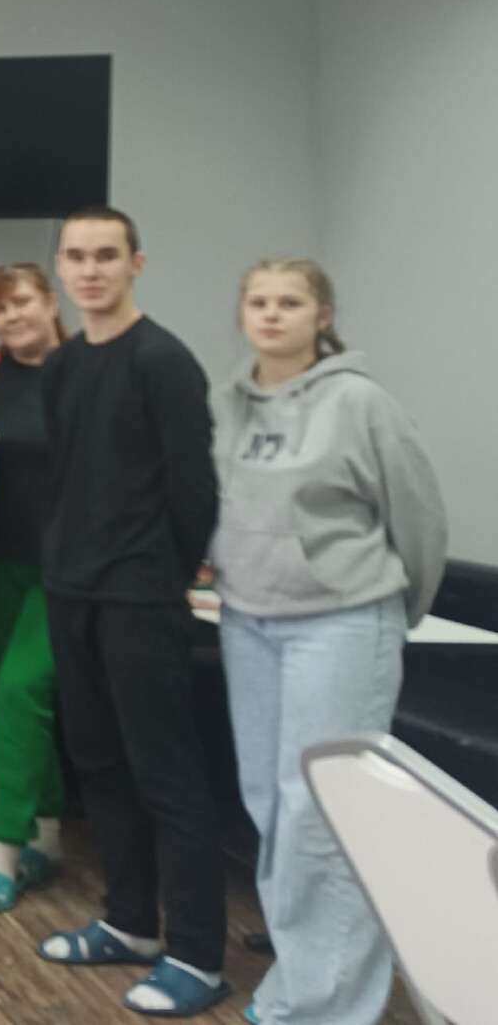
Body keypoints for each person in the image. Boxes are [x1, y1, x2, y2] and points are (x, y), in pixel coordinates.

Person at [211, 258, 446, 1025]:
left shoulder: (360, 402)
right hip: (247, 621)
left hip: (341, 621)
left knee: (325, 811)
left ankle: (332, 1007)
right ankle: (302, 978)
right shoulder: (227, 403)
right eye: (259, 301)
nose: (272, 314)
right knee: (271, 807)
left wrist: (391, 613)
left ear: (323, 314)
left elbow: (419, 519)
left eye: (290, 301)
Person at [33, 207, 227, 1017]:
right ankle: (130, 923)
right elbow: (68, 474)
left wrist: (162, 574)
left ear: (136, 265)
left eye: (106, 255)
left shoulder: (165, 361)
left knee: (166, 774)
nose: (90, 270)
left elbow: (195, 491)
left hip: (142, 596)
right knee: (100, 766)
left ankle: (198, 957)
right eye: (76, 256)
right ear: (61, 267)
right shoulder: (63, 365)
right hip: (71, 590)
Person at [0, 264, 71, 913]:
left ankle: (1, 848)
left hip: (67, 572)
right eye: (0, 308)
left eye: (23, 302)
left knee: (22, 690)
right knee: (18, 701)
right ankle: (45, 836)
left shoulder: (85, 374)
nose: (13, 316)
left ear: (51, 303)